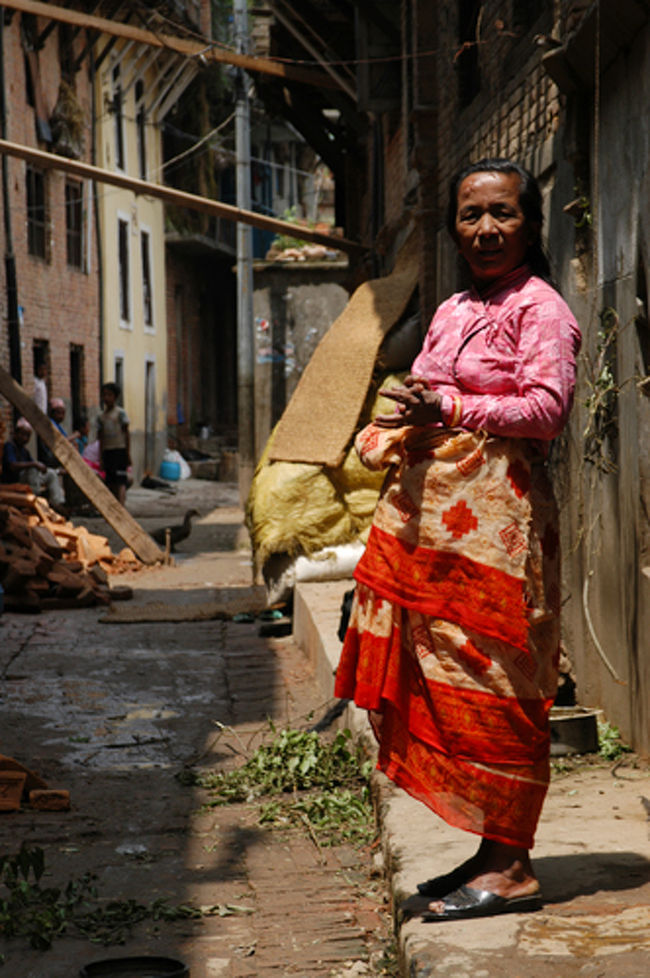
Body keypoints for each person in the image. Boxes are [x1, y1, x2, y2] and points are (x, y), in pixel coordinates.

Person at [334, 158, 582, 922]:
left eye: (502, 213)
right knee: (440, 679)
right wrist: (409, 402)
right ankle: (490, 849)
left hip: (498, 540)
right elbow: (435, 390)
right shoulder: (450, 309)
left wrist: (447, 402)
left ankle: (514, 866)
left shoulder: (541, 310)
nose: (485, 230)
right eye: (470, 216)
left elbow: (544, 408)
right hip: (431, 536)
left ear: (531, 225)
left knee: (497, 683)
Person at [1, 417, 65, 508]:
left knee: (50, 474)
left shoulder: (24, 451)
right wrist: (34, 464)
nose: (25, 438)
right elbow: (12, 466)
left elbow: (34, 464)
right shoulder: (9, 446)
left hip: (27, 479)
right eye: (22, 434)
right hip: (13, 480)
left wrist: (51, 470)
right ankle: (35, 498)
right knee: (32, 469)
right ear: (15, 434)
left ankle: (58, 503)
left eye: (27, 436)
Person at [97, 382, 131, 504]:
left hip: (120, 450)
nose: (106, 398)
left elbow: (126, 434)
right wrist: (101, 457)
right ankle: (113, 508)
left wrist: (128, 453)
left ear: (115, 397)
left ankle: (121, 508)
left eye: (109, 395)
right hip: (108, 451)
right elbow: (100, 438)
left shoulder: (121, 414)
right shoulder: (101, 417)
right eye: (104, 395)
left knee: (121, 481)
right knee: (110, 482)